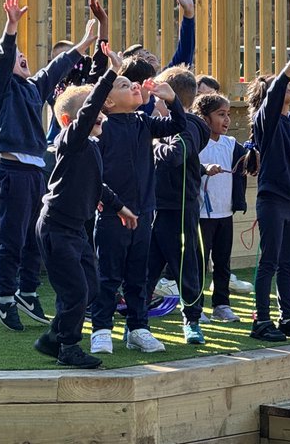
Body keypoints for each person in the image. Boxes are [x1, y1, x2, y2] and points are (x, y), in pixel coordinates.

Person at [0, 0, 95, 331]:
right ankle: (3, 296)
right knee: (13, 238)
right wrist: (11, 28)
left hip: (35, 171)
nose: (23, 58)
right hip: (14, 170)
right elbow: (0, 60)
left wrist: (84, 43)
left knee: (35, 236)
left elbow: (56, 67)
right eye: (18, 56)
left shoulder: (32, 88)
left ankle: (27, 291)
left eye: (22, 54)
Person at [35, 56, 137, 369]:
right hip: (55, 228)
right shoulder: (70, 141)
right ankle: (68, 347)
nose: (100, 120)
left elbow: (98, 184)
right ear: (70, 122)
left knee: (89, 287)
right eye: (93, 118)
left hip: (76, 229)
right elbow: (91, 107)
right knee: (77, 290)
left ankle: (53, 336)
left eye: (101, 118)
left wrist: (121, 208)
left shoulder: (91, 146)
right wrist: (110, 75)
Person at [89, 68, 184, 355]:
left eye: (132, 84)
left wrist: (172, 100)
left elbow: (178, 125)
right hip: (111, 214)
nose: (132, 87)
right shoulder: (101, 128)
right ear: (107, 102)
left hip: (143, 214)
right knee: (108, 276)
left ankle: (138, 328)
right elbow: (95, 175)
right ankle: (101, 330)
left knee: (138, 277)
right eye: (123, 85)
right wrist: (112, 204)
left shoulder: (144, 121)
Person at [247, 43, 290, 342]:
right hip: (272, 201)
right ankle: (261, 321)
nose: (286, 88)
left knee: (288, 264)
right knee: (269, 262)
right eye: (278, 86)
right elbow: (274, 95)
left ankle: (286, 317)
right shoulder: (268, 122)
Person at [148, 68, 213, 345]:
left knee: (186, 267)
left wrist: (152, 146)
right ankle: (136, 321)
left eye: (158, 96)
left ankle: (193, 321)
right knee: (146, 269)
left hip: (179, 208)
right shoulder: (165, 125)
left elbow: (177, 155)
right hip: (155, 207)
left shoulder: (190, 126)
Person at [195, 92, 254, 323]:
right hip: (201, 215)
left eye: (228, 114)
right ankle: (195, 307)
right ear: (204, 117)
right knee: (199, 263)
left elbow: (250, 163)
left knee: (223, 262)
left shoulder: (231, 145)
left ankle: (221, 305)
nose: (227, 120)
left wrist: (255, 155)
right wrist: (204, 168)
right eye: (221, 114)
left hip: (225, 213)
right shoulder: (196, 142)